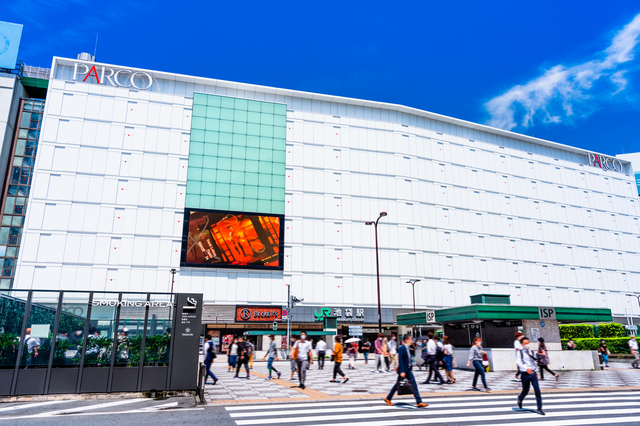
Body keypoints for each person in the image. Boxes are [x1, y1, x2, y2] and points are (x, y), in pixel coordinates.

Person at [384, 334, 428, 408]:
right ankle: (388, 398)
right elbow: (400, 360)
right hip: (404, 370)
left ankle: (419, 402)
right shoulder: (402, 348)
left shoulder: (408, 348)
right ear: (407, 340)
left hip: (408, 369)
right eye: (411, 339)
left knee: (414, 385)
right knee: (397, 385)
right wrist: (402, 371)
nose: (412, 341)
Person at [516, 337, 544, 416]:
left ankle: (539, 408)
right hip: (525, 374)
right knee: (525, 390)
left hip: (533, 373)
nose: (527, 344)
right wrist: (526, 368)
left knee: (537, 390)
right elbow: (519, 363)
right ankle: (520, 398)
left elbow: (534, 363)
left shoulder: (531, 352)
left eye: (528, 343)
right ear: (522, 345)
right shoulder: (520, 353)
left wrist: (536, 372)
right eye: (525, 343)